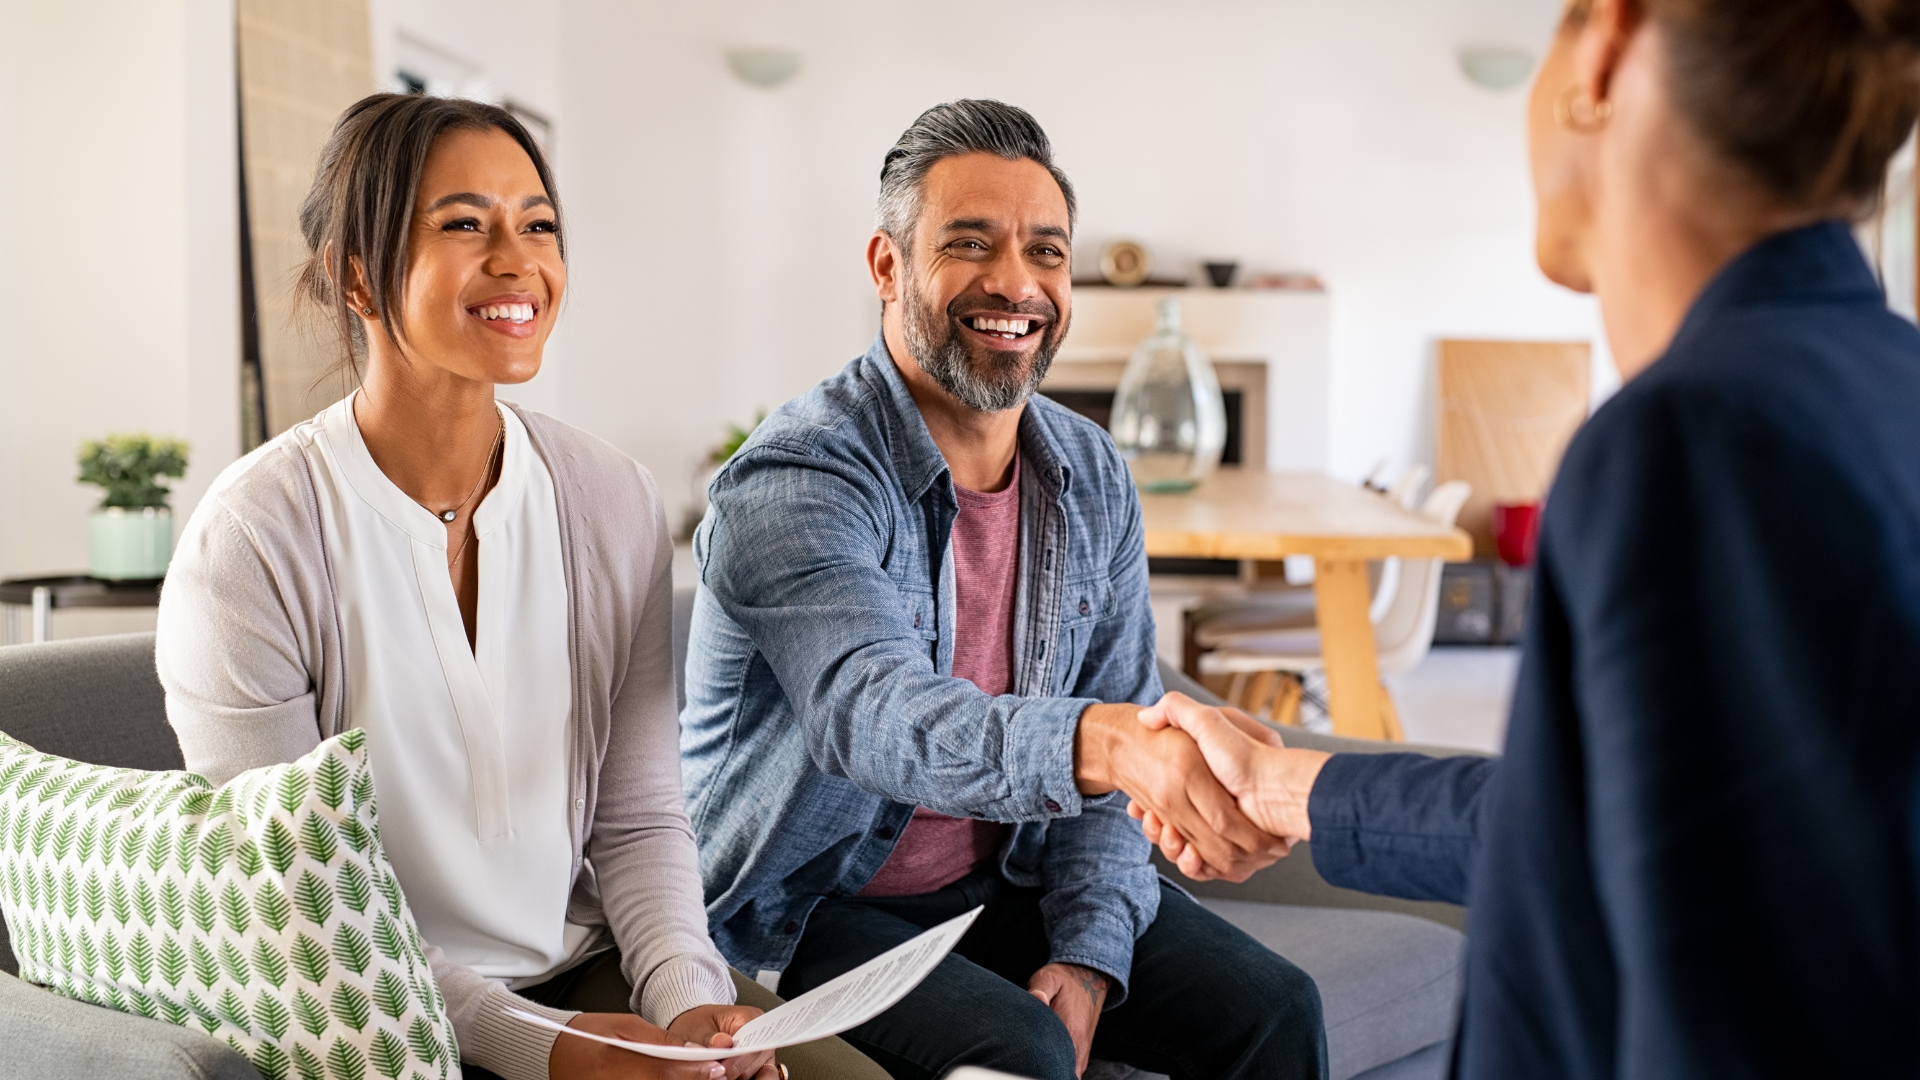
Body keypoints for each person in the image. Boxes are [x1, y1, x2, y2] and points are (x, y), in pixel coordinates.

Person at [1131, 0, 1920, 1076]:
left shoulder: (1697, 438)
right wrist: (1290, 788)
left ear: (1604, 44)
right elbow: (1612, 828)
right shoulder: (1885, 386)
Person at [157, 93, 885, 1080]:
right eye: (465, 223)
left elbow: (636, 820)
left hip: (588, 970)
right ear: (356, 277)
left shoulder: (610, 500)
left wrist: (692, 1003)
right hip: (373, 1013)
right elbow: (305, 908)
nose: (519, 261)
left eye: (537, 225)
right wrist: (552, 1053)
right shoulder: (251, 539)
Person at [680, 100, 1323, 1080]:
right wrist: (1105, 741)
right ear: (888, 266)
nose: (1016, 284)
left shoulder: (1089, 472)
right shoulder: (798, 477)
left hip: (1003, 879)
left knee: (1276, 1011)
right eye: (970, 244)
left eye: (1047, 253)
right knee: (1017, 1046)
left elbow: (1120, 725)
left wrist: (1088, 949)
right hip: (806, 907)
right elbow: (874, 712)